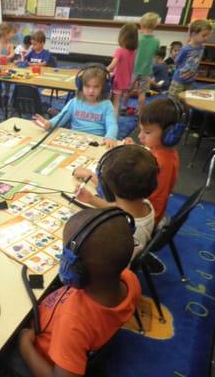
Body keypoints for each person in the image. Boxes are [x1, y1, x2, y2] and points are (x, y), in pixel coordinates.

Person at [14, 207, 141, 377]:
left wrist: (25, 348)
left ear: (77, 270)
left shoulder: (73, 322)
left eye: (65, 255)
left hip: (45, 349)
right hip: (65, 325)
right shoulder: (130, 279)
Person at [73, 145, 158, 260]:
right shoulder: (143, 203)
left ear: (107, 189)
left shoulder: (124, 233)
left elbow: (117, 267)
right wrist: (92, 200)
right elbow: (119, 208)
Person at [123, 98, 182, 225]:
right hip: (150, 211)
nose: (139, 136)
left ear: (169, 135)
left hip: (144, 218)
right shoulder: (166, 152)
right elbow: (149, 154)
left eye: (147, 132)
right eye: (140, 130)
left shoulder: (159, 163)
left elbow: (134, 193)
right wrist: (135, 148)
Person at [33, 65, 118, 147]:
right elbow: (60, 118)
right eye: (87, 86)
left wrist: (110, 137)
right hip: (75, 140)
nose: (91, 90)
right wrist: (50, 123)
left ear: (103, 88)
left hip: (96, 141)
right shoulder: (74, 102)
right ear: (81, 86)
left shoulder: (107, 105)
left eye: (96, 87)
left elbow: (112, 125)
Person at [168, 19, 212, 97]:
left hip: (190, 80)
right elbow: (176, 61)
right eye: (204, 35)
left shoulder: (202, 47)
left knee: (187, 100)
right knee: (173, 100)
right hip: (179, 80)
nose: (206, 38)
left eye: (208, 35)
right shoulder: (186, 48)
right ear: (194, 34)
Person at [131, 12, 160, 112]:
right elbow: (156, 53)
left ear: (141, 25)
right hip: (146, 71)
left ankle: (123, 106)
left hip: (133, 69)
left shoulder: (138, 38)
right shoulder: (156, 41)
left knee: (127, 90)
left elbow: (132, 52)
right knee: (142, 93)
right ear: (155, 25)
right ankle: (140, 111)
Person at [107, 22, 138, 116]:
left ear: (122, 36)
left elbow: (112, 66)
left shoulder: (120, 51)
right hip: (127, 82)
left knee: (114, 104)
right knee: (117, 102)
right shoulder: (134, 52)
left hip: (118, 82)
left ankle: (113, 124)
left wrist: (103, 70)